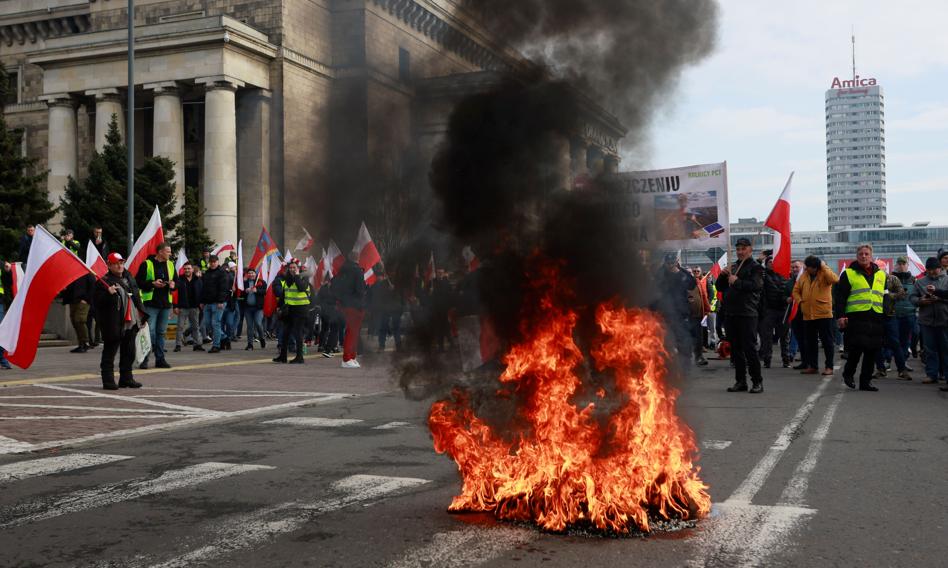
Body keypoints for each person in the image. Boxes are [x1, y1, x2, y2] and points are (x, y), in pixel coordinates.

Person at [716, 237, 765, 393]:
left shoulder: (756, 267)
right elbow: (720, 287)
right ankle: (740, 381)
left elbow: (756, 286)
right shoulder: (734, 266)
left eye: (743, 249)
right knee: (735, 350)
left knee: (750, 349)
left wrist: (737, 281)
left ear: (750, 249)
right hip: (731, 313)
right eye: (738, 249)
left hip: (747, 313)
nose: (740, 252)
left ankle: (757, 382)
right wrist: (723, 275)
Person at [834, 244, 885, 391]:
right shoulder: (848, 273)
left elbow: (885, 295)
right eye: (861, 254)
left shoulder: (881, 274)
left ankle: (865, 382)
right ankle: (848, 374)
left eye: (866, 254)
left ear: (871, 256)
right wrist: (841, 316)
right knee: (856, 349)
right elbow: (840, 297)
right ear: (857, 256)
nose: (864, 256)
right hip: (856, 317)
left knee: (872, 351)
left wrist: (887, 313)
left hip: (876, 317)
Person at [93, 253, 146, 390]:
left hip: (131, 322)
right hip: (113, 323)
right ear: (109, 265)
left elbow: (136, 298)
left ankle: (126, 379)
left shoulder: (129, 277)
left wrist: (142, 315)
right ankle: (108, 381)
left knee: (129, 352)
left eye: (121, 263)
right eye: (116, 263)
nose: (120, 266)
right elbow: (96, 302)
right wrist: (107, 294)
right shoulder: (103, 281)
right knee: (110, 353)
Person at [793, 256, 838, 376]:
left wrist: (824, 266)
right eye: (808, 268)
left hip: (824, 313)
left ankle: (829, 367)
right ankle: (813, 366)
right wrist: (800, 301)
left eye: (812, 268)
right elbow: (795, 291)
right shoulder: (804, 276)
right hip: (808, 314)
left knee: (827, 341)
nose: (810, 270)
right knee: (810, 342)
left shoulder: (824, 274)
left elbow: (835, 279)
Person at [135, 243, 175, 369]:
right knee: (149, 332)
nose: (170, 254)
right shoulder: (147, 264)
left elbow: (177, 281)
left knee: (161, 333)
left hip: (165, 304)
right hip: (151, 303)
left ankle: (160, 359)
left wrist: (173, 284)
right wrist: (152, 283)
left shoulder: (170, 264)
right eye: (168, 251)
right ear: (160, 252)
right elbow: (138, 282)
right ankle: (144, 360)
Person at [909, 257, 948, 387]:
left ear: (940, 268)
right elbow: (912, 297)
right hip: (926, 321)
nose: (932, 272)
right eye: (929, 269)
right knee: (930, 349)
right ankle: (931, 374)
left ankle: (946, 375)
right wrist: (920, 301)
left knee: (945, 349)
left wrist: (940, 298)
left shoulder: (947, 280)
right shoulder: (920, 282)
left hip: (944, 319)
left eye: (934, 269)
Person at [874, 268, 911, 380]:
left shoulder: (893, 279)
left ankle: (902, 370)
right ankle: (880, 370)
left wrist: (888, 295)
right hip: (875, 315)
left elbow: (902, 294)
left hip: (890, 315)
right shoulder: (872, 279)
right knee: (876, 344)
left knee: (895, 343)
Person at [272, 259, 311, 364]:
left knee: (298, 333)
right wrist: (279, 307)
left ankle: (299, 357)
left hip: (301, 309)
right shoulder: (286, 279)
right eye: (290, 268)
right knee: (285, 333)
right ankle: (283, 356)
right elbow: (284, 294)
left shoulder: (304, 277)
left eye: (294, 268)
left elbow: (302, 288)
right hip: (289, 309)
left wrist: (297, 275)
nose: (292, 269)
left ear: (298, 269)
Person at [332, 252, 367, 368]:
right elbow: (360, 290)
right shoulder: (357, 271)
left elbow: (335, 286)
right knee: (353, 332)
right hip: (355, 305)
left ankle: (351, 357)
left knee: (351, 331)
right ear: (358, 259)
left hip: (345, 304)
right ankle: (348, 358)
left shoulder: (342, 271)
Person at [758, 255, 791, 369]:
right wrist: (759, 260)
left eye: (774, 261)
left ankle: (786, 360)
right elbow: (756, 269)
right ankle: (767, 360)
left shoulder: (785, 275)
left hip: (783, 310)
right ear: (766, 264)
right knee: (767, 338)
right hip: (768, 311)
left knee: (784, 337)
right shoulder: (763, 275)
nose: (772, 263)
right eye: (770, 262)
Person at [200, 255, 229, 353]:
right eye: (211, 262)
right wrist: (202, 301)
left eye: (214, 261)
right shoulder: (207, 273)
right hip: (207, 303)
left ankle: (216, 345)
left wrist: (221, 301)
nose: (212, 263)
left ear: (217, 262)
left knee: (215, 323)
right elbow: (204, 288)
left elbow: (224, 288)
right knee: (208, 324)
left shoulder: (222, 273)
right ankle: (224, 337)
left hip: (218, 303)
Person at [891, 258, 917, 367]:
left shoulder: (913, 280)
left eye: (903, 264)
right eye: (899, 264)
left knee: (906, 340)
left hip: (909, 314)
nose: (901, 266)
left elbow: (917, 295)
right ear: (896, 265)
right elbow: (885, 294)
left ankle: (904, 361)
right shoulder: (890, 279)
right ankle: (890, 361)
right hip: (894, 314)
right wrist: (896, 295)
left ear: (907, 265)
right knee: (894, 340)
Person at [174, 262, 203, 352]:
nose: (187, 270)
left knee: (195, 327)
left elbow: (201, 292)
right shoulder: (179, 279)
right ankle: (178, 345)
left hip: (194, 307)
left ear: (192, 269)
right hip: (182, 307)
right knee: (180, 327)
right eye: (185, 268)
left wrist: (201, 303)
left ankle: (197, 345)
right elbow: (175, 294)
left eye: (188, 268)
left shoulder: (197, 279)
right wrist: (175, 306)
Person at [63, 273, 95, 353]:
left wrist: (86, 299)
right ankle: (81, 344)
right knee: (74, 321)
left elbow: (93, 288)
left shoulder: (88, 274)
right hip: (73, 301)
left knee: (79, 320)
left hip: (83, 301)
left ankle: (85, 343)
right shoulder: (73, 273)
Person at [240, 267, 266, 350]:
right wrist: (245, 292)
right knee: (250, 326)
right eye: (249, 273)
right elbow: (240, 293)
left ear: (255, 274)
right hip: (248, 308)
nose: (251, 274)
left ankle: (262, 338)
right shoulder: (244, 283)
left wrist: (257, 291)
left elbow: (265, 291)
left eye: (252, 273)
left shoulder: (261, 282)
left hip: (258, 308)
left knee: (258, 323)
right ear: (247, 275)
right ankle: (250, 344)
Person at [317, 280, 341, 357]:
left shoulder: (323, 288)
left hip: (324, 310)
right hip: (333, 310)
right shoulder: (335, 287)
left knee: (325, 329)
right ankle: (331, 348)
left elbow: (318, 298)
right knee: (334, 330)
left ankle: (322, 346)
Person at [0, 262, 12, 369]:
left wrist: (8, 272)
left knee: (1, 331)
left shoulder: (1, 264)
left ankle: (2, 359)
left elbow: (8, 283)